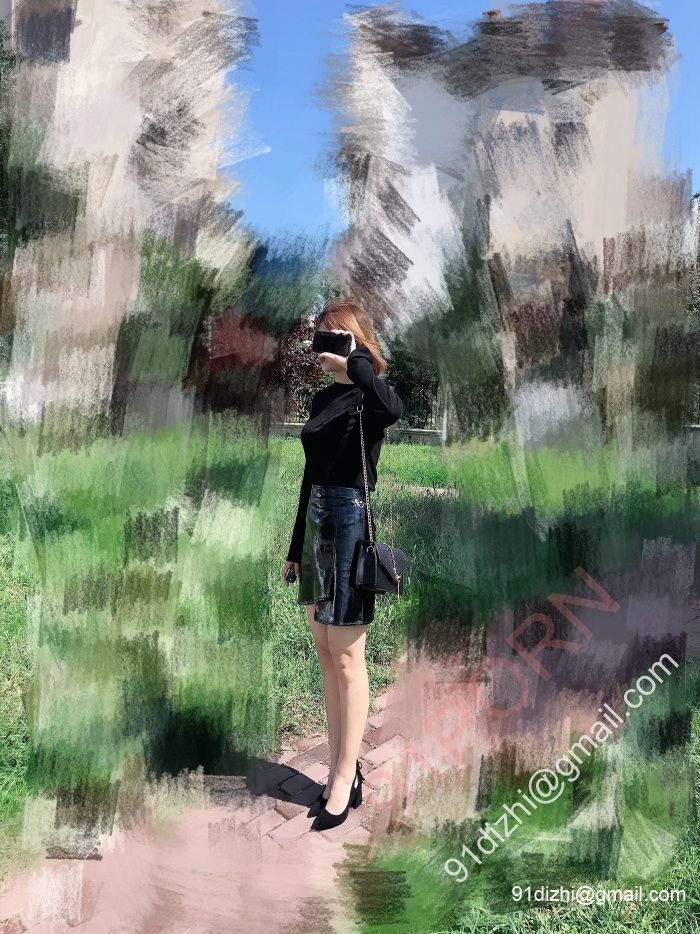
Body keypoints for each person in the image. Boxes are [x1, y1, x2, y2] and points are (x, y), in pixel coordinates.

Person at [281, 297, 404, 831]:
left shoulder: (368, 396)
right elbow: (309, 477)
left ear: (351, 339)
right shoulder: (319, 400)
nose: (321, 346)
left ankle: (343, 776)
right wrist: (294, 547)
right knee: (325, 653)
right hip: (316, 522)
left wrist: (357, 361)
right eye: (320, 336)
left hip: (351, 522)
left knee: (348, 657)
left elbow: (394, 410)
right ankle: (342, 767)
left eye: (332, 336)